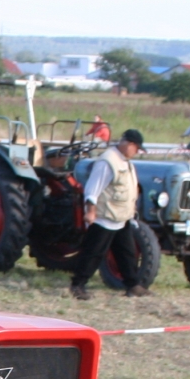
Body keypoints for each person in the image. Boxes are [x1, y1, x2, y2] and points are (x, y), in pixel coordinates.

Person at [71, 128, 149, 300]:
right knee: (93, 253)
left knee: (126, 253)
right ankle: (78, 285)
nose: (136, 152)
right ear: (129, 144)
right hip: (104, 218)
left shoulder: (125, 161)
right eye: (136, 148)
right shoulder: (107, 162)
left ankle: (133, 285)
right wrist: (91, 211)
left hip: (121, 217)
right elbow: (92, 189)